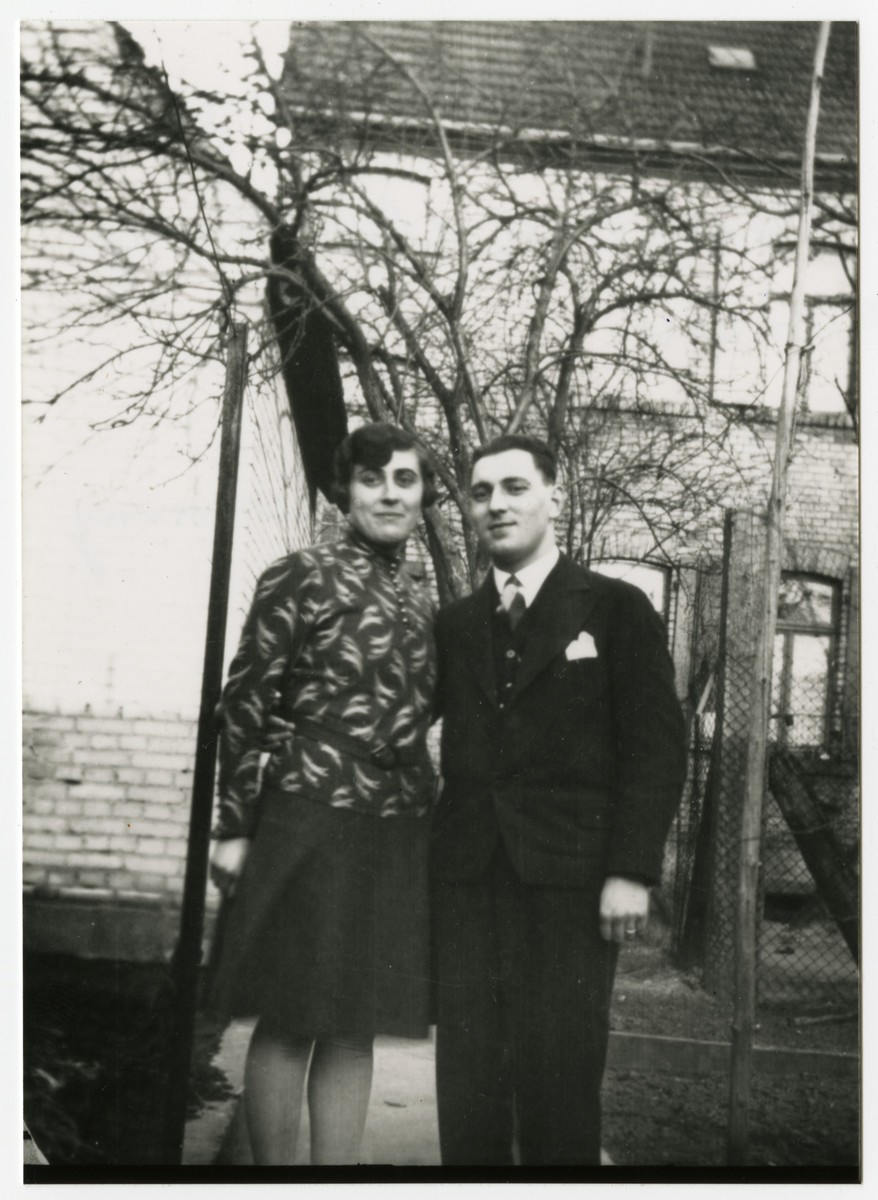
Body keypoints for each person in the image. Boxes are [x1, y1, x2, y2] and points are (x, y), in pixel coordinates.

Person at [430, 434, 688, 1166]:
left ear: (555, 498)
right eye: (481, 493)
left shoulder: (614, 608)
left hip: (572, 886)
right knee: (469, 1084)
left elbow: (655, 749)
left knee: (561, 1079)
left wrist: (631, 870)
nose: (496, 505)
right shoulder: (454, 623)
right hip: (469, 881)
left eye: (514, 487)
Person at [208, 422, 438, 1166]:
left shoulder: (417, 598)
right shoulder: (301, 574)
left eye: (405, 479)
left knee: (355, 1022)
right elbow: (246, 702)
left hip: (392, 827)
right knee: (293, 1016)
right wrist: (236, 825)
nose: (389, 494)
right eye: (372, 480)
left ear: (424, 494)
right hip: (310, 816)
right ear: (345, 492)